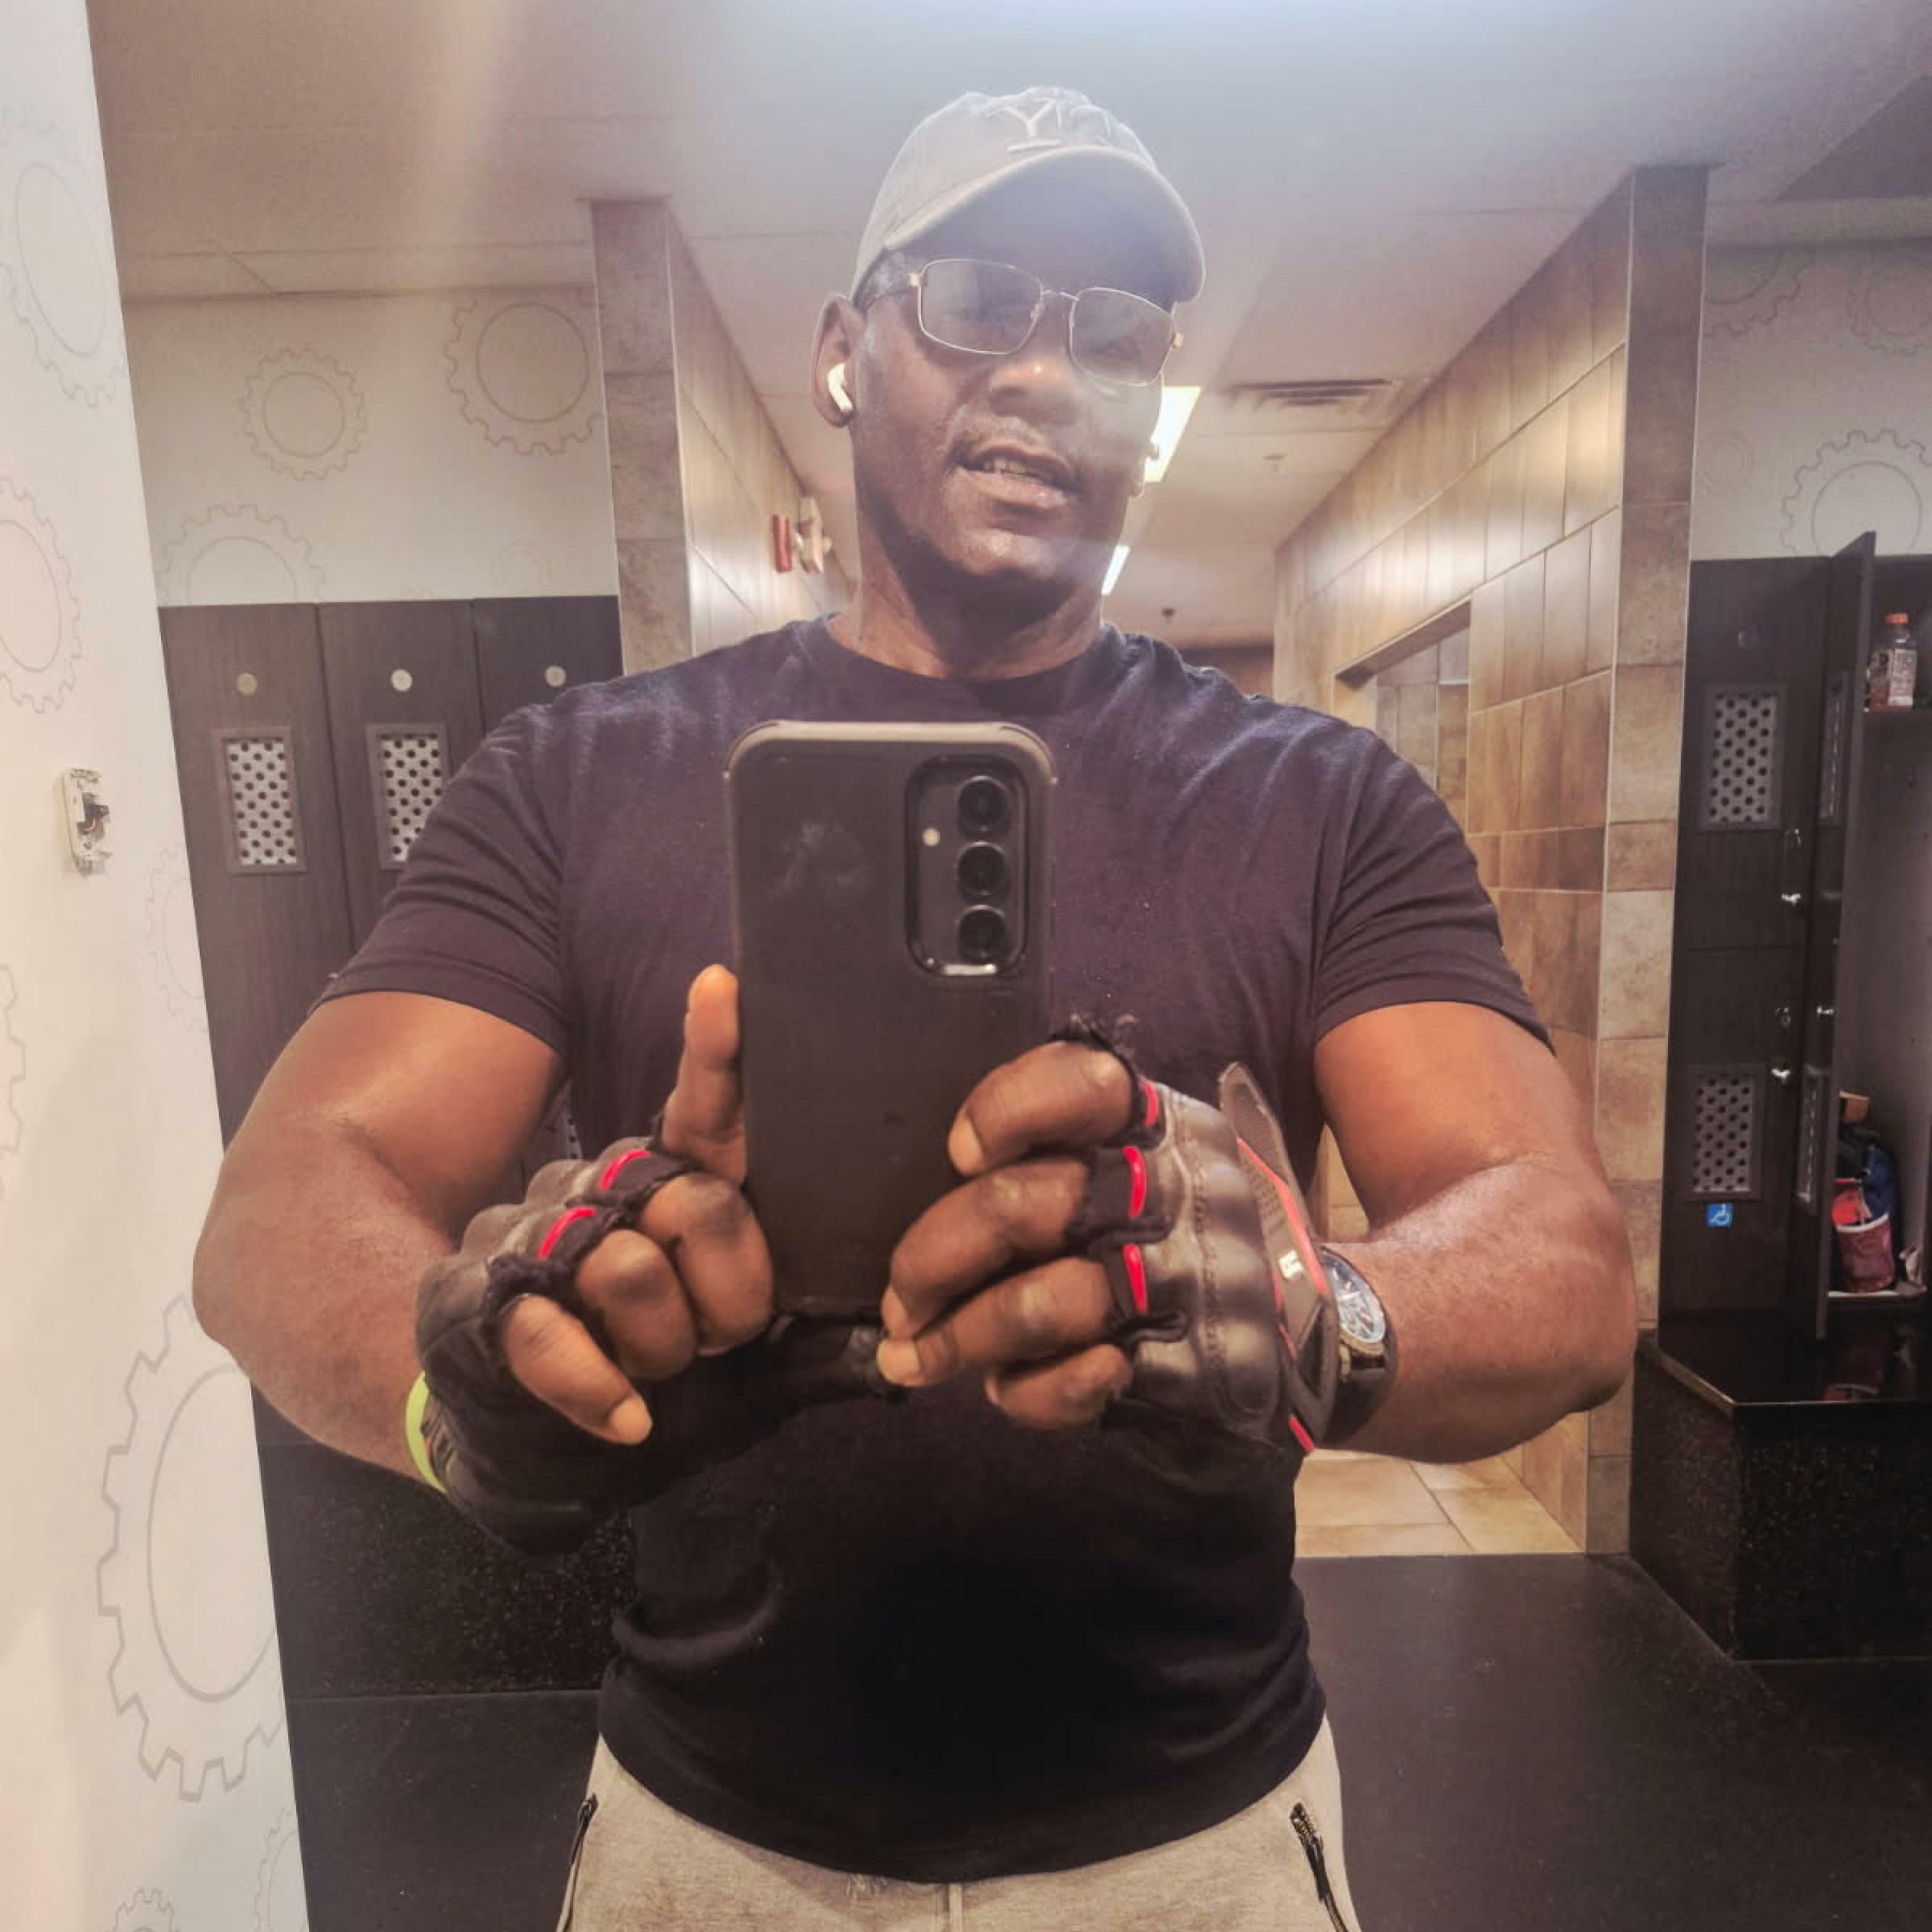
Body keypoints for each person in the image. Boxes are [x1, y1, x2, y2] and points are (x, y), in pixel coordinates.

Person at [194, 86, 1635, 1931]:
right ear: (841, 351)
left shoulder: (1322, 800)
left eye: (1115, 332)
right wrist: (451, 1400)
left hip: (1197, 1851)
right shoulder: (575, 777)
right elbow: (281, 1201)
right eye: (976, 298)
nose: (1045, 373)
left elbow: (1568, 1259)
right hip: (708, 1850)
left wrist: (1322, 1314)